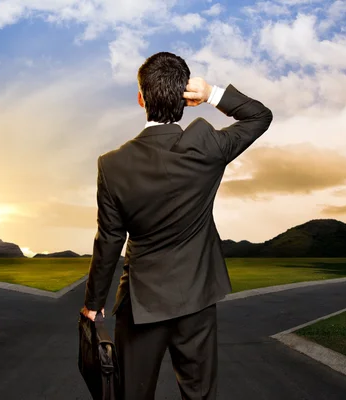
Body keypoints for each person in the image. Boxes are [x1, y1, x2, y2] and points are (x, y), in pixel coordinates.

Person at [81, 51, 273, 399]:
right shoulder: (207, 146)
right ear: (186, 99)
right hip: (197, 299)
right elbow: (259, 116)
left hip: (142, 303)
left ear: (141, 99)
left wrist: (94, 303)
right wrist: (213, 92)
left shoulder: (113, 165)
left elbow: (109, 239)